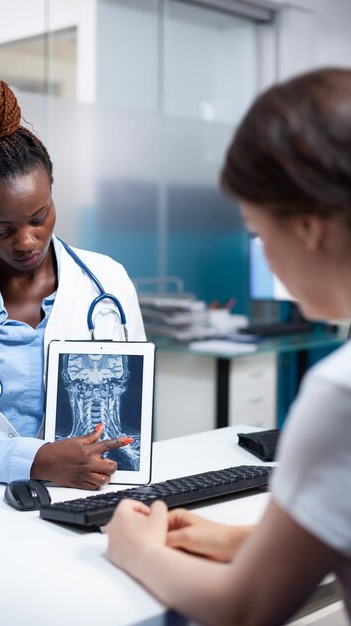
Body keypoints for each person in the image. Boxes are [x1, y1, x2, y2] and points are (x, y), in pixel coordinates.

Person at [106, 67, 351, 625]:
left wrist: (135, 550)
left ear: (310, 227)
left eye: (258, 231)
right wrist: (242, 541)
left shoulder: (340, 392)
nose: (262, 253)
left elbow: (244, 609)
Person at [0, 78, 145, 488]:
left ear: (51, 192)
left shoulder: (109, 282)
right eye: (2, 228)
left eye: (39, 217)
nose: (27, 241)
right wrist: (35, 461)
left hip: (94, 489)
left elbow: (135, 404)